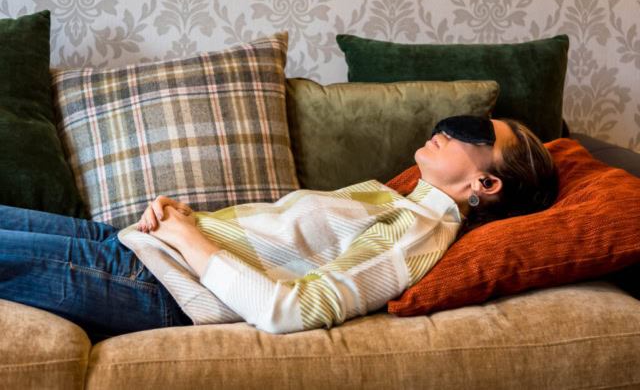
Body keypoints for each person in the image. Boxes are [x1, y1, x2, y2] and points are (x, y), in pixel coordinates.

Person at [0, 116, 558, 342]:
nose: (446, 128)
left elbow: (289, 311)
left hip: (158, 287)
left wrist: (187, 240)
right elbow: (281, 243)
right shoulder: (398, 199)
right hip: (135, 245)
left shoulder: (416, 232)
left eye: (473, 133)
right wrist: (187, 221)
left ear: (487, 185)